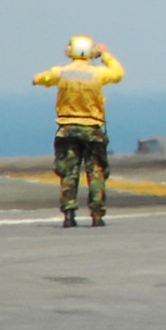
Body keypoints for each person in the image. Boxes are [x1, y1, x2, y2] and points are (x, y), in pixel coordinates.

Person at [34, 35, 123, 228]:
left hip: (68, 130)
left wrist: (38, 80)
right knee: (96, 171)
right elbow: (117, 73)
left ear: (71, 51)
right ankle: (97, 215)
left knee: (68, 172)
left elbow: (41, 78)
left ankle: (69, 214)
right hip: (92, 129)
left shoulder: (61, 72)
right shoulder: (98, 74)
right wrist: (105, 54)